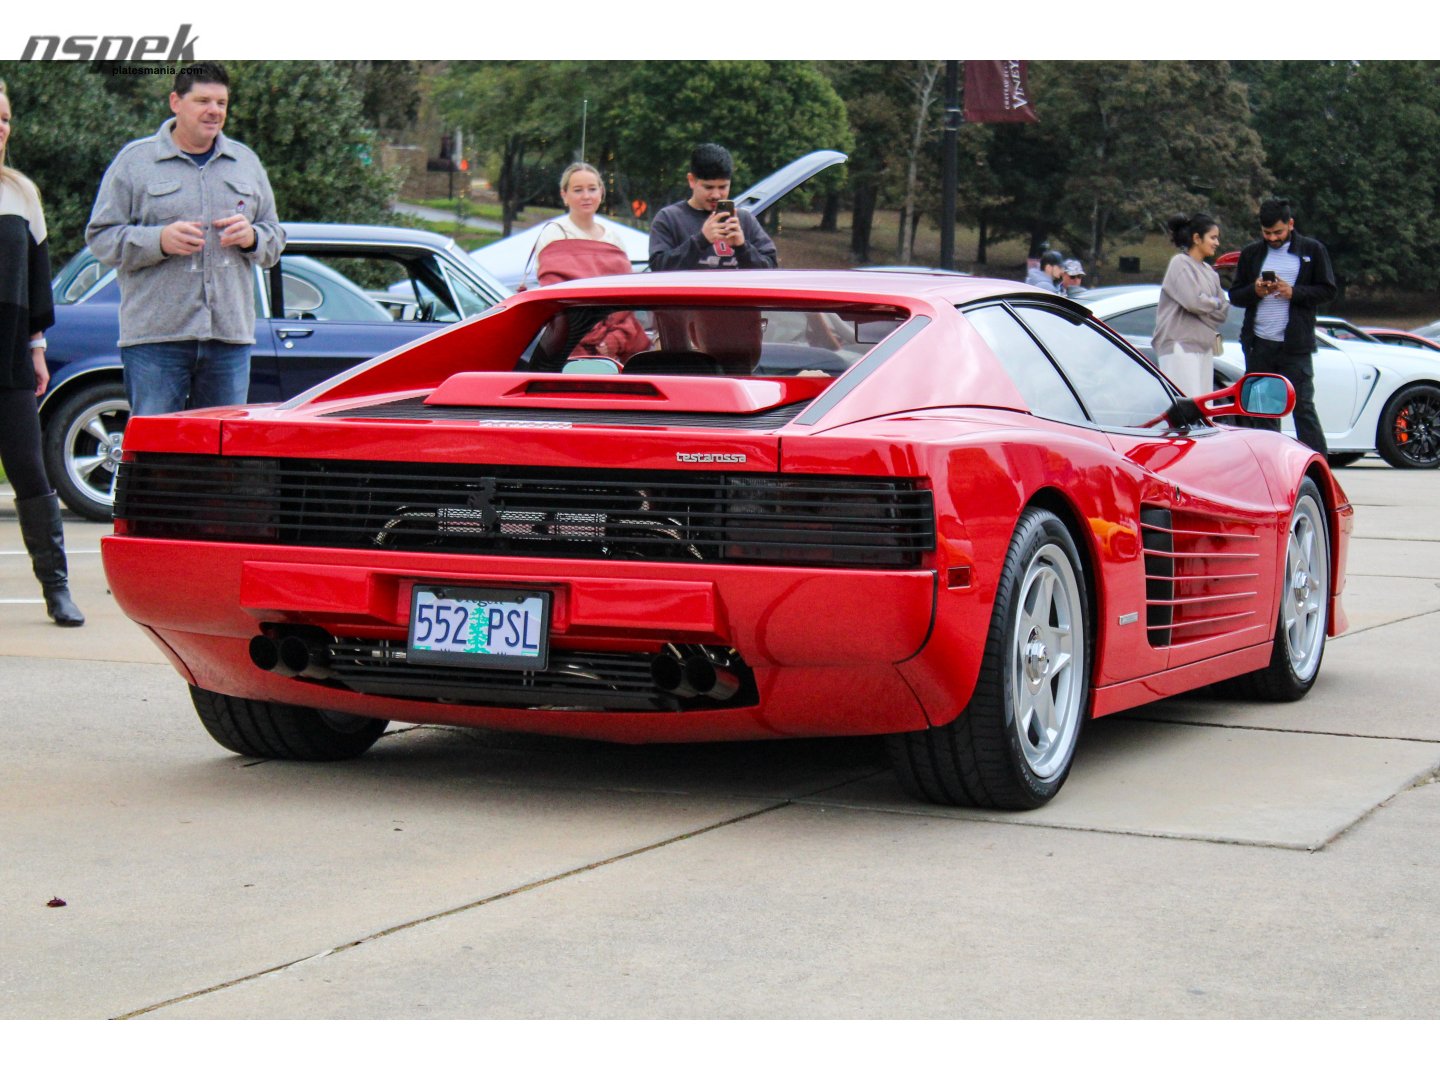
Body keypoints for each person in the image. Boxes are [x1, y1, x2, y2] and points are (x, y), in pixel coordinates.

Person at [86, 62, 284, 417]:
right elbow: (101, 238)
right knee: (155, 451)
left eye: (222, 103)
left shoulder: (246, 162)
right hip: (155, 340)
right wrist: (159, 240)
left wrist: (253, 237)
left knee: (222, 455)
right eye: (203, 100)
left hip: (229, 339)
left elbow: (276, 237)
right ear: (176, 102)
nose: (214, 111)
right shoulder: (135, 162)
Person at [0, 80, 83, 626]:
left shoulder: (21, 193)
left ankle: (57, 589)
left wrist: (37, 349)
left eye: (4, 118)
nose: (0, 128)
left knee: (29, 467)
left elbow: (35, 282)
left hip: (6, 354)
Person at [1227, 198, 1336, 452]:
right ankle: (1267, 464)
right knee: (1262, 408)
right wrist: (1255, 290)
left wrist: (1294, 292)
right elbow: (1235, 295)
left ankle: (1317, 466)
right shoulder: (1252, 253)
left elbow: (1328, 291)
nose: (1273, 238)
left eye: (1278, 232)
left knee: (1303, 407)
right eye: (1267, 233)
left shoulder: (1312, 250)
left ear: (1291, 224)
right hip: (1259, 344)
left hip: (1295, 345)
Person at [527, 162, 646, 361]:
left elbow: (625, 295)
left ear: (601, 192)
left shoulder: (613, 237)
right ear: (564, 195)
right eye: (578, 190)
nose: (586, 196)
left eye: (592, 189)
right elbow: (553, 293)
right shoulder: (555, 234)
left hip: (614, 339)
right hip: (570, 338)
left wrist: (612, 338)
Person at [648, 143, 777, 271]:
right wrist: (700, 241)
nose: (716, 195)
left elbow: (770, 269)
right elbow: (658, 268)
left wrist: (742, 247)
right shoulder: (669, 218)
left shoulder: (744, 220)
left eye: (723, 187)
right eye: (708, 187)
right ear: (691, 180)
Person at [1153, 212, 1231, 397]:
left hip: (1204, 346)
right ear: (1197, 238)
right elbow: (1193, 302)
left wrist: (1207, 302)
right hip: (1179, 346)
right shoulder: (1180, 263)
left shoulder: (1210, 272)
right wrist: (1213, 302)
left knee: (1203, 409)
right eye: (1212, 237)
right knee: (1186, 409)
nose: (1217, 243)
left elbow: (1223, 311)